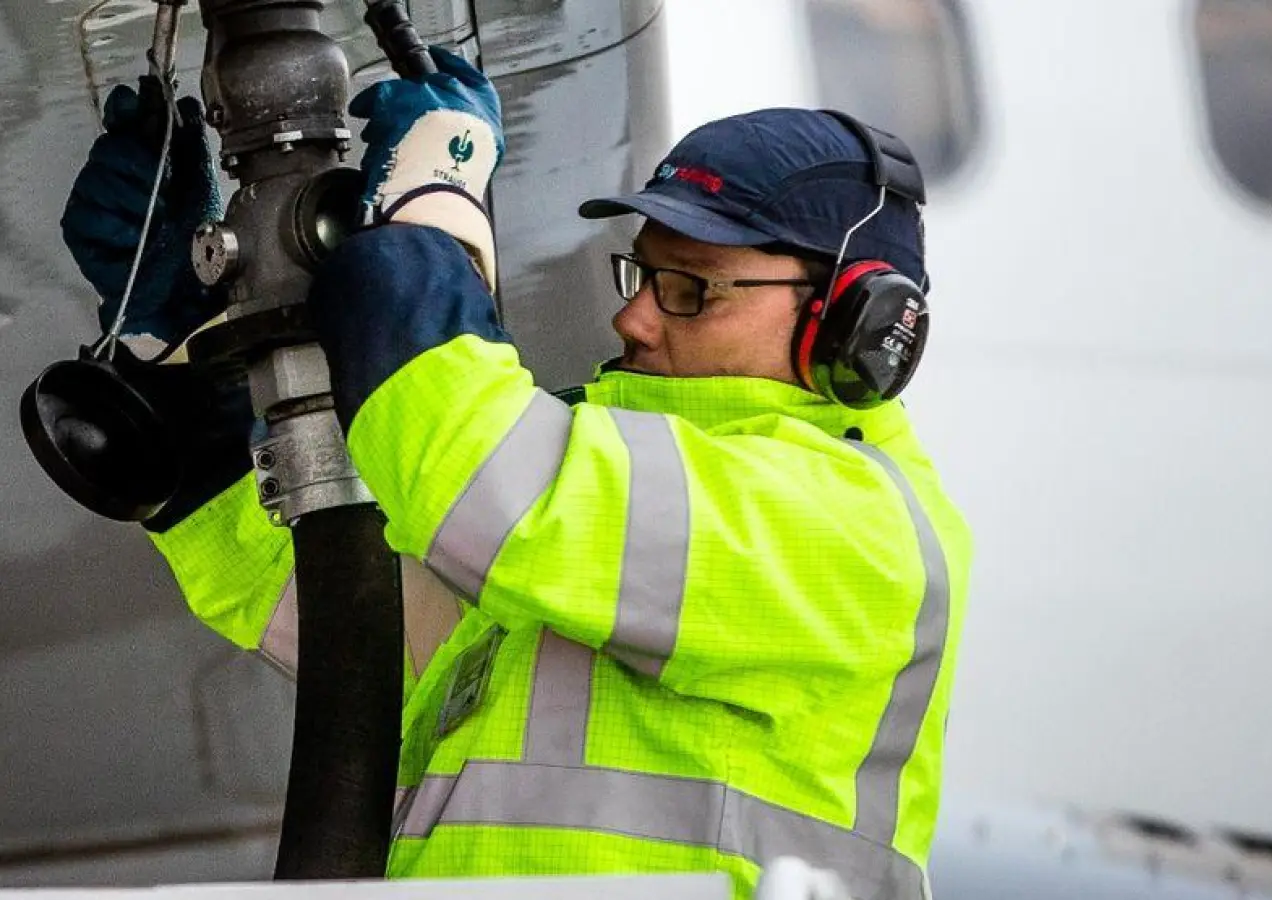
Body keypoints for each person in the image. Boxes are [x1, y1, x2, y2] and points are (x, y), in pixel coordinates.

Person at [61, 48, 971, 900]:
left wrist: (434, 207)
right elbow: (356, 628)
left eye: (690, 289)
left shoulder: (856, 529)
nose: (636, 322)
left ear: (854, 324)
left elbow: (484, 479)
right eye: (640, 278)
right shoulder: (604, 529)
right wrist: (184, 356)